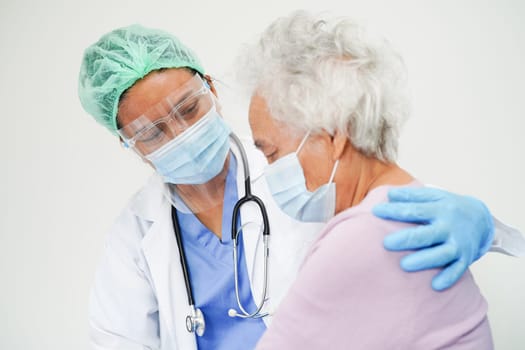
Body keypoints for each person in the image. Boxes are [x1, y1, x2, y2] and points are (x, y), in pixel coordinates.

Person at [77, 24, 523, 350]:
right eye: (153, 132)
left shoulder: (297, 167)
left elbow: (394, 204)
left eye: (188, 108)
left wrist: (482, 223)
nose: (180, 134)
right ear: (130, 144)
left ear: (210, 88)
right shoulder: (135, 234)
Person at [238, 11, 496, 349]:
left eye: (271, 153)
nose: (269, 169)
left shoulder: (363, 237)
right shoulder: (404, 206)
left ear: (332, 137)